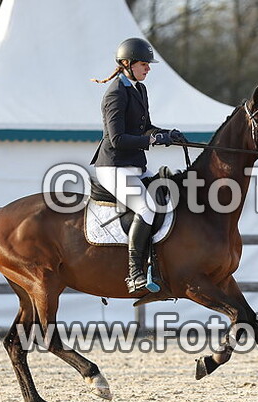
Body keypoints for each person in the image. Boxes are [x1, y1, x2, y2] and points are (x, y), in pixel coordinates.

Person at [90, 37, 186, 294]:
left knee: (168, 191)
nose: (148, 68)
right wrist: (153, 139)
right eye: (144, 64)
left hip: (135, 166)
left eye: (147, 64)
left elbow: (145, 128)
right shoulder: (115, 93)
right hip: (114, 167)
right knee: (145, 207)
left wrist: (167, 133)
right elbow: (117, 139)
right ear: (126, 64)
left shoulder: (138, 89)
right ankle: (134, 273)